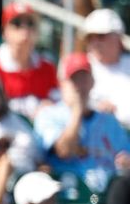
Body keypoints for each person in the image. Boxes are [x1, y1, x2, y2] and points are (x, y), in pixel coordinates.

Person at [34, 52, 130, 194]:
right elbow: (64, 151)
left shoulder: (109, 121)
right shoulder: (49, 115)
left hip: (107, 195)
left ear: (92, 81)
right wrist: (77, 109)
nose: (80, 85)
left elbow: (125, 156)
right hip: (70, 194)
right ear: (62, 83)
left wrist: (125, 163)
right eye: (74, 79)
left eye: (84, 78)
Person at [0, 2, 59, 121]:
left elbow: (58, 103)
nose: (25, 30)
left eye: (30, 24)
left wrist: (50, 108)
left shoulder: (47, 68)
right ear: (4, 31)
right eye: (17, 24)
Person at [83, 9, 130, 128]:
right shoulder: (82, 67)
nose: (95, 42)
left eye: (101, 36)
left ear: (118, 37)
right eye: (90, 37)